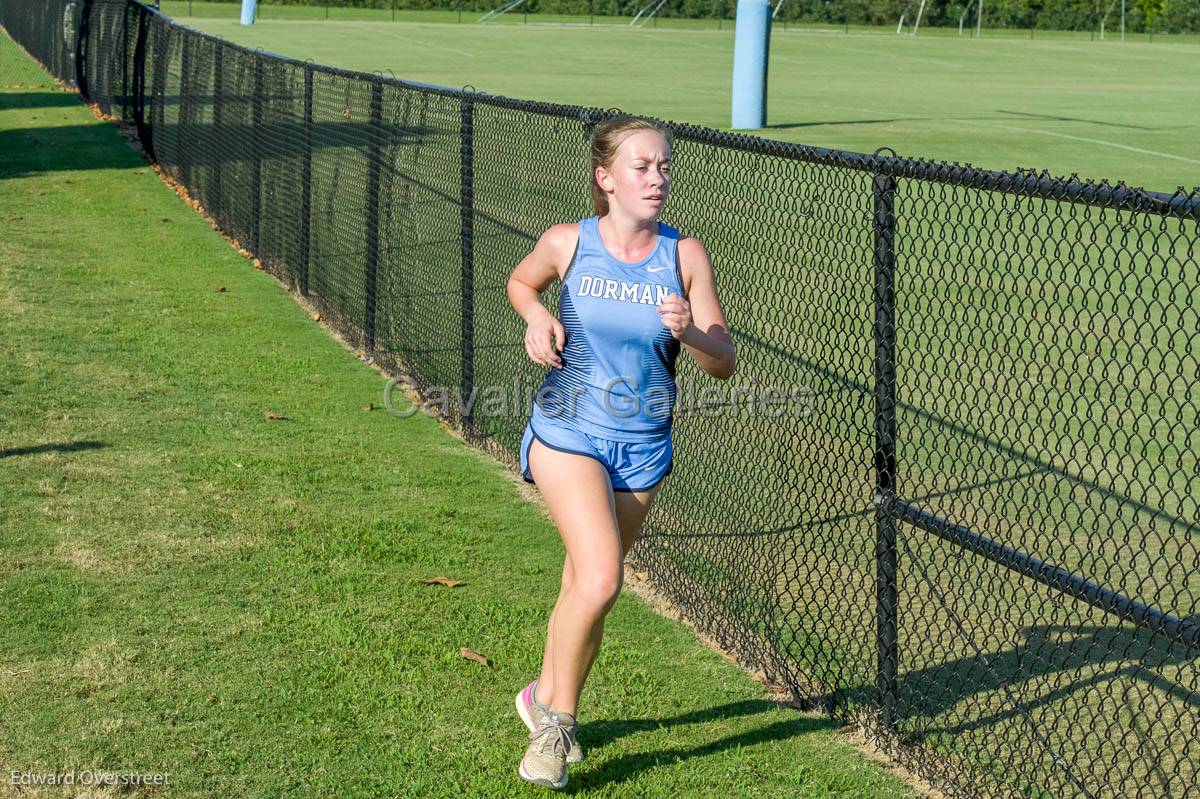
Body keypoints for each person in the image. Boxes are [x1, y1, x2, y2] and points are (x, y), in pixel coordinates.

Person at [505, 115, 736, 790]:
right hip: (568, 429)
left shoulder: (685, 254)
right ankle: (556, 728)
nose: (657, 178)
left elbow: (722, 361)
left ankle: (539, 694)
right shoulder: (568, 242)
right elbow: (522, 282)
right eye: (642, 167)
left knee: (587, 587)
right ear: (607, 179)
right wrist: (537, 316)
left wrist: (690, 329)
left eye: (664, 166)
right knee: (603, 575)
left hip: (642, 448)